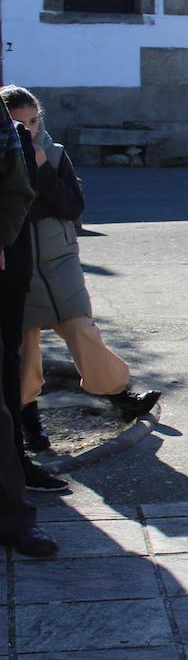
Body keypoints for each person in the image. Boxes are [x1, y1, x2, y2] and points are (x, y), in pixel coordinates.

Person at [0, 88, 161, 459]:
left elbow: (73, 205)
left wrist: (40, 168)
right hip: (18, 264)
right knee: (24, 350)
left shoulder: (53, 154)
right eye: (18, 124)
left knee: (80, 328)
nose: (28, 129)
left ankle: (120, 396)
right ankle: (30, 427)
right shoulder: (4, 155)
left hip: (58, 259)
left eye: (34, 121)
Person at [0, 96, 53, 555]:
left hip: (7, 270)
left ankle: (13, 516)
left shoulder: (12, 136)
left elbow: (21, 190)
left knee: (4, 386)